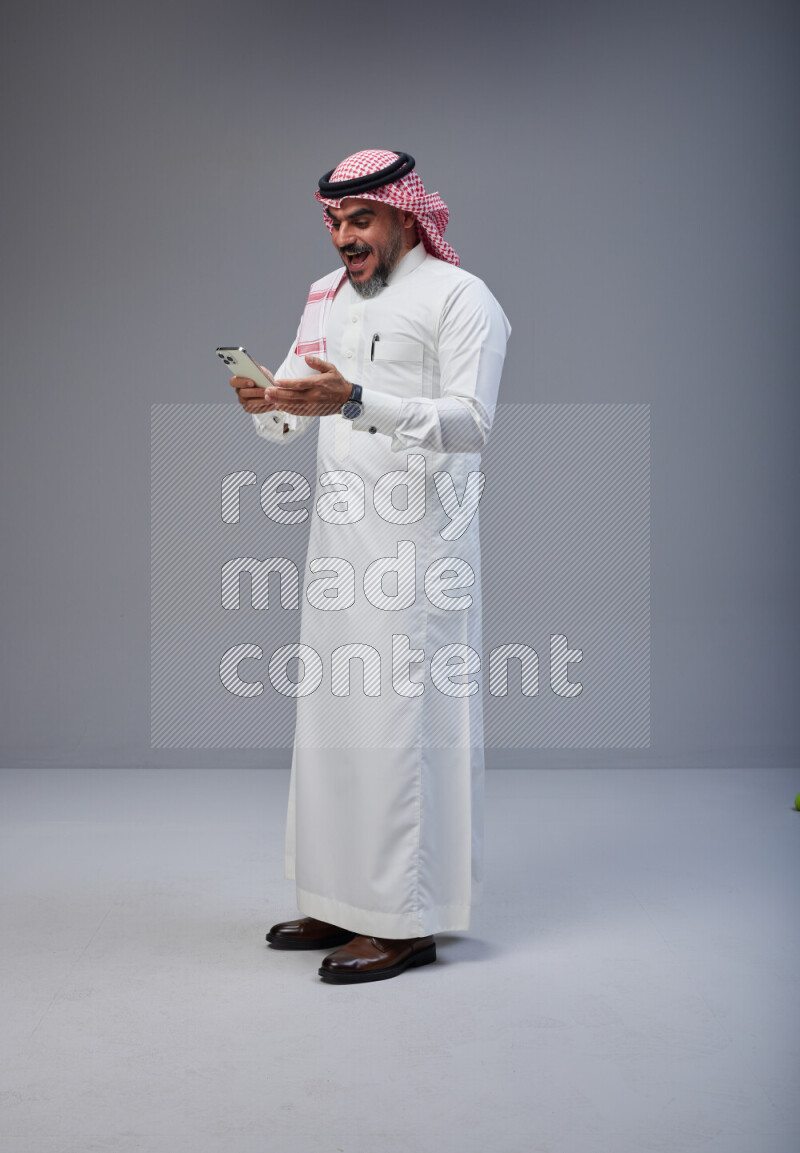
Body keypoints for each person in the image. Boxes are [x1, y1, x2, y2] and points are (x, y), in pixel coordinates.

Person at [230, 150, 511, 984]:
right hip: (337, 547)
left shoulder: (461, 297)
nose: (344, 237)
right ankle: (339, 897)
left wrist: (355, 399)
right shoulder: (327, 295)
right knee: (333, 728)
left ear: (404, 215)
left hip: (418, 553)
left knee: (399, 731)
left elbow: (472, 423)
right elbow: (293, 413)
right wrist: (265, 402)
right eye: (334, 221)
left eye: (361, 219)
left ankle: (403, 922)